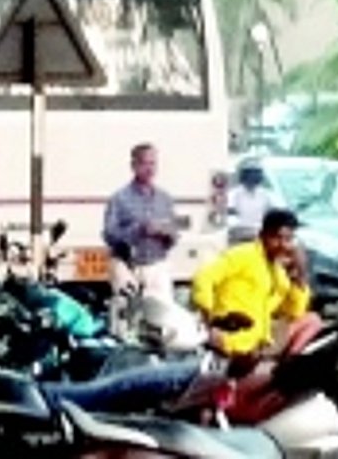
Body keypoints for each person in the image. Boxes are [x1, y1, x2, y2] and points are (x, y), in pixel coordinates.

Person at [191, 208, 317, 358]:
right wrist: (210, 319)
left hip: (257, 343)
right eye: (276, 238)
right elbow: (204, 278)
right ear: (262, 235)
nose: (282, 245)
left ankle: (288, 367)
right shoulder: (243, 254)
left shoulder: (278, 272)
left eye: (288, 239)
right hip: (230, 338)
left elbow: (294, 312)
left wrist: (300, 275)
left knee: (312, 320)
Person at [103, 143, 178, 301]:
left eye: (153, 163)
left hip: (157, 267)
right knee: (129, 319)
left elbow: (174, 236)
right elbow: (109, 235)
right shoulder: (119, 198)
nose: (149, 169)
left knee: (161, 315)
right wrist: (139, 230)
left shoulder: (165, 199)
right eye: (144, 163)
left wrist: (166, 233)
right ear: (134, 166)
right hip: (128, 267)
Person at [227, 160, 273, 243]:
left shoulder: (265, 195)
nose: (254, 176)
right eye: (250, 173)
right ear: (244, 176)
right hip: (239, 235)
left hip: (259, 235)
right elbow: (230, 214)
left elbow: (271, 212)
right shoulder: (234, 194)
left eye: (257, 173)